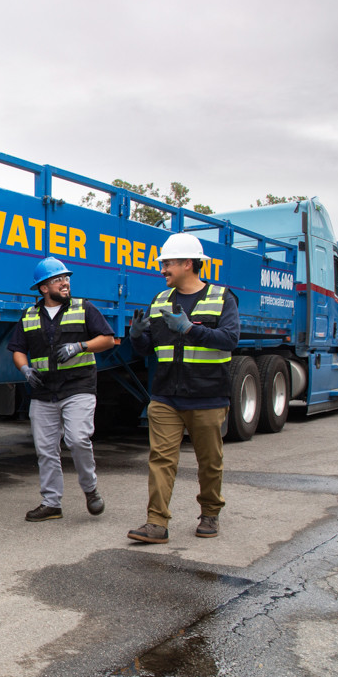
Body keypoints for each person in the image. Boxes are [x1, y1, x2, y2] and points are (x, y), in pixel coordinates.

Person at [127, 232, 240, 543]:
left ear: (188, 264)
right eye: (162, 264)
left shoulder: (222, 297)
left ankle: (210, 513)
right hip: (165, 395)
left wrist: (191, 330)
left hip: (207, 395)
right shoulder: (160, 300)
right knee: (161, 459)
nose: (162, 269)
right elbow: (148, 349)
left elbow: (230, 339)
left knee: (209, 462)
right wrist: (137, 337)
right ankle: (156, 523)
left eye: (168, 264)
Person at [9, 257, 114, 522]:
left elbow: (108, 339)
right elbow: (18, 350)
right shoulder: (30, 315)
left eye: (66, 278)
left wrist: (80, 347)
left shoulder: (84, 308)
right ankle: (51, 503)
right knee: (45, 450)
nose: (65, 283)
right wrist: (25, 370)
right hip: (44, 392)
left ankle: (90, 490)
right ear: (44, 288)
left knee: (78, 439)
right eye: (58, 279)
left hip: (78, 387)